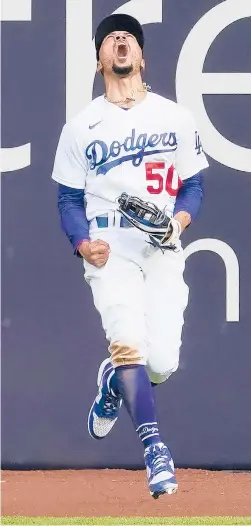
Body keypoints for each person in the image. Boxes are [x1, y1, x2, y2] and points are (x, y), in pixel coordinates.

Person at [51, 13, 209, 499]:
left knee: (160, 363)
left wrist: (177, 223)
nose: (120, 41)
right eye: (110, 38)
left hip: (161, 244)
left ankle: (113, 383)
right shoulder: (81, 127)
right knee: (128, 343)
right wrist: (82, 243)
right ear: (100, 59)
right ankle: (155, 449)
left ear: (141, 56)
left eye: (129, 38)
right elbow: (68, 199)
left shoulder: (175, 117)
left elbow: (193, 185)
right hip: (110, 247)